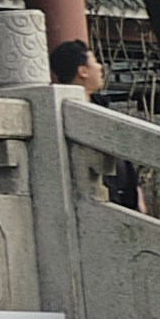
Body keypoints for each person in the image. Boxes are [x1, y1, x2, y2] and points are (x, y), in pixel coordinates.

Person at [58, 39, 141, 215]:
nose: (100, 67)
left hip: (123, 200)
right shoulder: (62, 112)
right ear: (83, 71)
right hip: (96, 203)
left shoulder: (101, 107)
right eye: (95, 62)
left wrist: (136, 193)